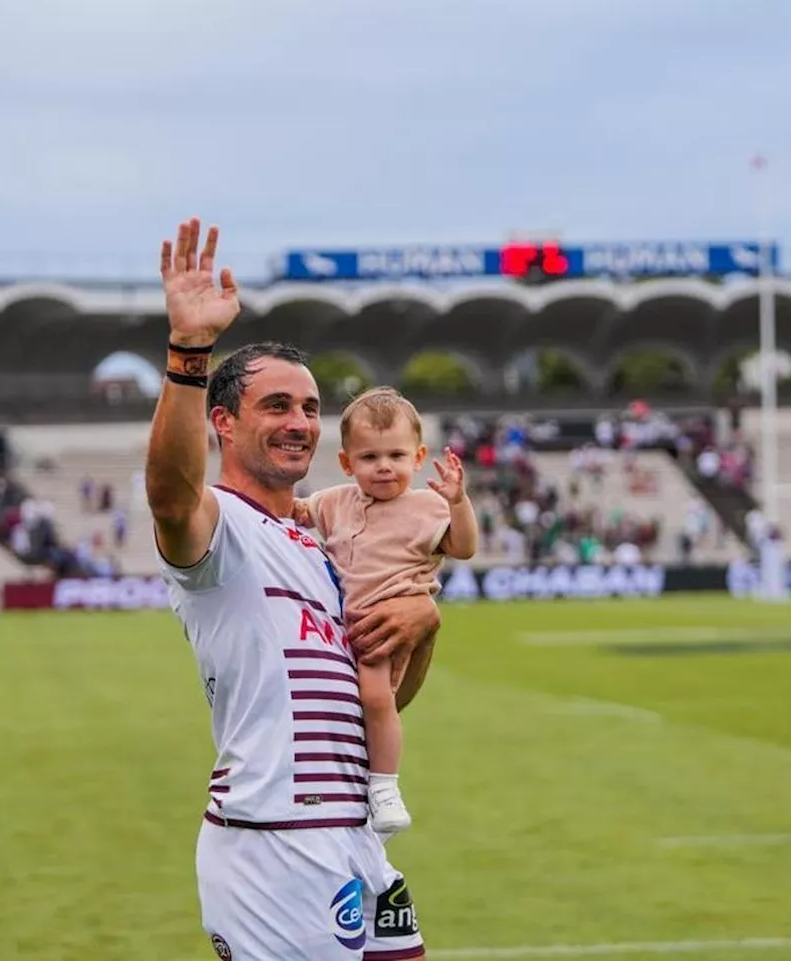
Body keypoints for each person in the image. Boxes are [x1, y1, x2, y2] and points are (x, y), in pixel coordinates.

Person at [147, 217, 440, 961]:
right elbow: (172, 495)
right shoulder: (221, 532)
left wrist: (423, 625)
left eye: (310, 408)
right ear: (223, 421)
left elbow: (380, 700)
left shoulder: (324, 545)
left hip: (354, 837)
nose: (300, 423)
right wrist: (189, 352)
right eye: (276, 406)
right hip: (275, 841)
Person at [293, 387, 477, 835]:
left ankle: (385, 786)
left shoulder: (427, 506)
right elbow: (298, 512)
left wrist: (458, 500)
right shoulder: (335, 501)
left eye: (396, 455)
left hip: (384, 620)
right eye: (370, 457)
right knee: (348, 703)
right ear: (346, 463)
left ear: (418, 458)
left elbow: (465, 548)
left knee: (376, 698)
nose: (384, 467)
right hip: (339, 625)